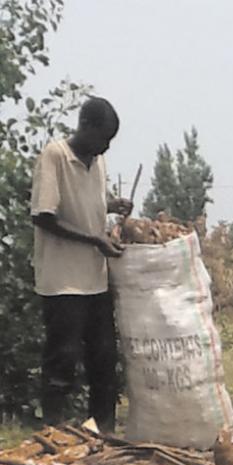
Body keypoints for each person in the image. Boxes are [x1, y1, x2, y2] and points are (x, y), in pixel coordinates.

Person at [31, 96, 133, 433]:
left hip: (95, 280)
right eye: (102, 139)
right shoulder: (55, 156)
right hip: (63, 283)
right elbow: (45, 217)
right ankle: (54, 433)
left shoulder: (97, 162)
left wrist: (112, 204)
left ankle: (104, 432)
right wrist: (95, 240)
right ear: (85, 127)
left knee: (104, 360)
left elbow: (92, 204)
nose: (104, 148)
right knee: (63, 359)